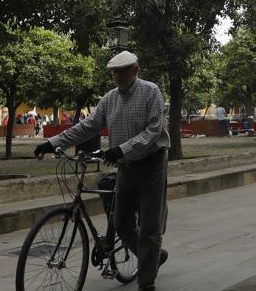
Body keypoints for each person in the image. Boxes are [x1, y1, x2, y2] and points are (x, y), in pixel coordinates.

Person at [35, 51, 170, 291]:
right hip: (126, 167)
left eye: (123, 71)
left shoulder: (151, 92)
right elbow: (87, 126)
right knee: (121, 222)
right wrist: (52, 143)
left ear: (135, 70)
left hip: (152, 165)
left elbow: (153, 132)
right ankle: (152, 257)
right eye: (114, 72)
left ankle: (146, 283)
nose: (118, 76)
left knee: (149, 226)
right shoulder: (109, 99)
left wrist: (121, 149)